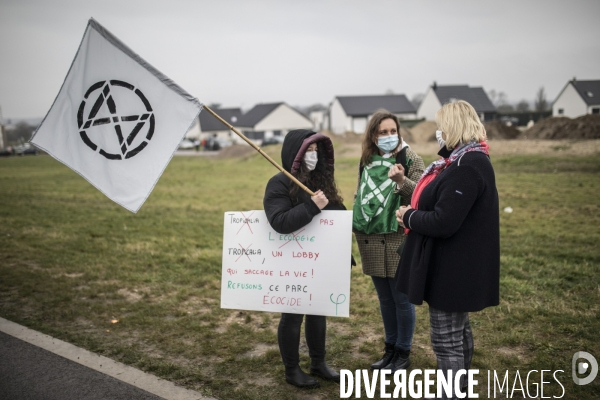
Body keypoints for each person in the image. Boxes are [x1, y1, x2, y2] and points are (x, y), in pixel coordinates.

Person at [395, 100, 500, 399]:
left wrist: (408, 216)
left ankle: (451, 393)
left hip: (454, 269)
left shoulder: (468, 166)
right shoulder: (464, 161)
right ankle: (460, 389)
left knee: (446, 340)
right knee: (458, 331)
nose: (438, 132)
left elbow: (444, 221)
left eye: (441, 126)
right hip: (458, 264)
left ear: (453, 127)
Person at [263, 129, 346, 388]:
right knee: (293, 314)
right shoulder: (278, 183)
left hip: (318, 261)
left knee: (318, 310)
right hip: (292, 264)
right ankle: (292, 369)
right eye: (307, 150)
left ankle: (318, 363)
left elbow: (334, 218)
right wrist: (311, 206)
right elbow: (280, 222)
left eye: (315, 151)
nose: (312, 155)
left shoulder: (318, 179)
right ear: (294, 153)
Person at [352, 110, 425, 372]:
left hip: (397, 236)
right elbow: (360, 194)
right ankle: (390, 350)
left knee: (401, 299)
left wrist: (401, 180)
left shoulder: (411, 157)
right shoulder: (367, 161)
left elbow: (422, 194)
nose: (389, 136)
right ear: (373, 135)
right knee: (384, 299)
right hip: (371, 237)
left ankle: (403, 353)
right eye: (382, 132)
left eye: (392, 131)